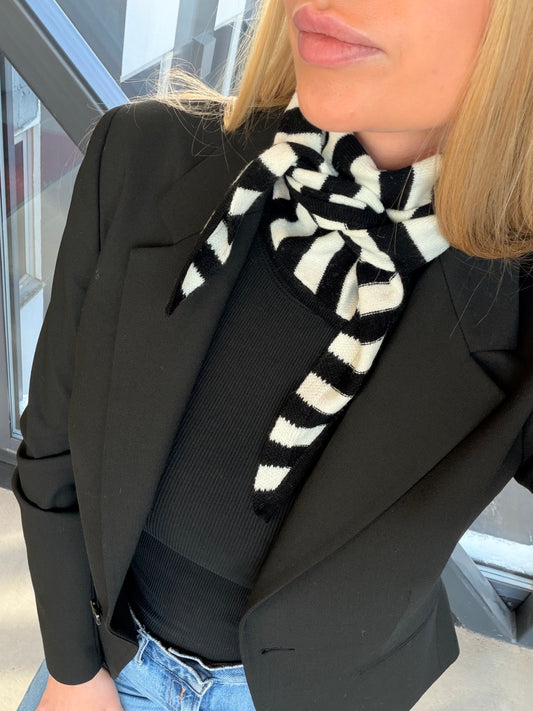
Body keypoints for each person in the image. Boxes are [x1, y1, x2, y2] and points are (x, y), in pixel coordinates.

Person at [12, 0, 533, 710]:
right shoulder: (143, 152)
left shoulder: (515, 303)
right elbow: (53, 441)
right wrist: (73, 669)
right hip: (105, 657)